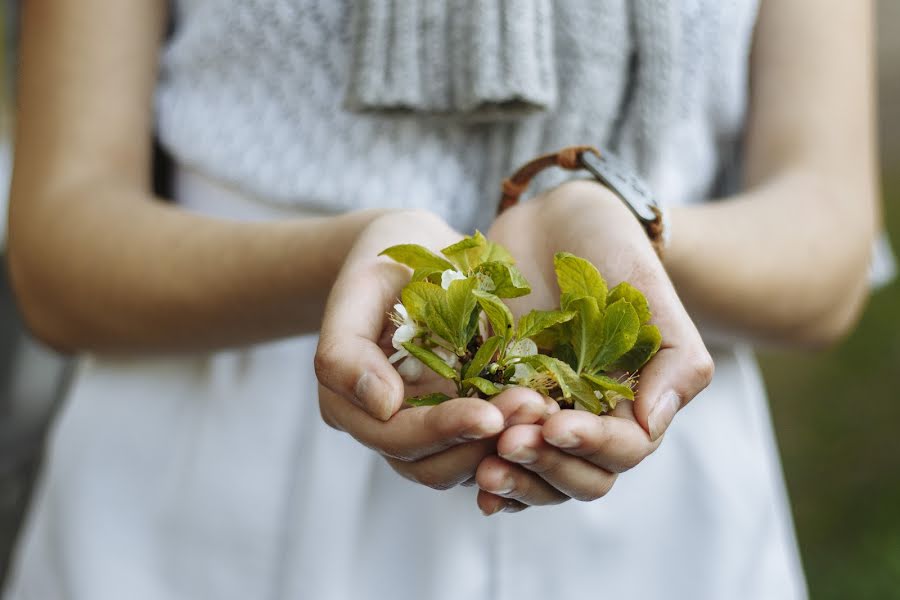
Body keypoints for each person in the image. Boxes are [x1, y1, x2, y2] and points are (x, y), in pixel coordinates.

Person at [3, 1, 887, 599]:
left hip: (649, 497)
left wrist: (609, 216)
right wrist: (348, 261)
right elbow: (58, 249)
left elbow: (827, 244)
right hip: (208, 491)